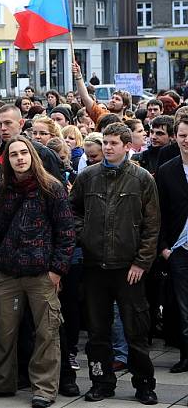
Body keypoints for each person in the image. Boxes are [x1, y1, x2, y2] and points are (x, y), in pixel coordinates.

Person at [0, 136, 75, 408]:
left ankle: (43, 389)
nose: (19, 158)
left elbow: (66, 232)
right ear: (6, 160)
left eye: (24, 153)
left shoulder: (51, 188)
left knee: (46, 332)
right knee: (4, 330)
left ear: (32, 156)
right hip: (7, 272)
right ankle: (1, 382)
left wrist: (57, 270)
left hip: (42, 272)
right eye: (14, 154)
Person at [70, 122, 159, 404]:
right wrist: (85, 234)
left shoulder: (142, 179)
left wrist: (141, 263)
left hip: (129, 268)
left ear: (127, 146)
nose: (107, 148)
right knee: (97, 332)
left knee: (136, 330)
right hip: (95, 267)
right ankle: (101, 382)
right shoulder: (88, 176)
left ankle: (144, 384)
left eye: (113, 143)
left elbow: (152, 226)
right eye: (105, 143)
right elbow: (72, 210)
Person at [155, 115, 188, 373]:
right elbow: (159, 213)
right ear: (176, 137)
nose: (187, 141)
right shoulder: (167, 171)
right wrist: (164, 247)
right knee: (183, 307)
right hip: (178, 250)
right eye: (183, 136)